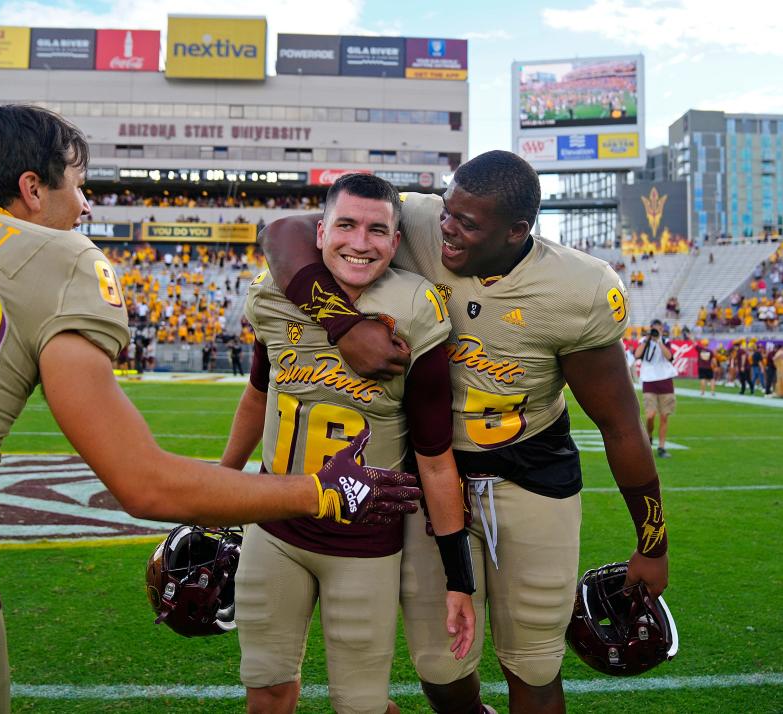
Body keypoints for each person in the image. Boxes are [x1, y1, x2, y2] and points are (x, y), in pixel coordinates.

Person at [0, 105, 420, 714]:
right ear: (32, 189)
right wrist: (324, 492)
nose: (85, 207)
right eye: (79, 186)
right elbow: (144, 484)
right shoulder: (60, 260)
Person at [260, 150, 669, 714]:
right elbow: (284, 231)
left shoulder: (576, 289)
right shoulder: (424, 222)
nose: (447, 230)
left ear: (518, 231)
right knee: (439, 664)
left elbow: (621, 427)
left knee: (533, 660)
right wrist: (341, 323)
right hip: (433, 475)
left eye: (468, 224)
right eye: (448, 212)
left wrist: (653, 545)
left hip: (530, 478)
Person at [220, 173, 474, 714]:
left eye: (377, 230)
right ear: (319, 233)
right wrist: (219, 487)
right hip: (275, 527)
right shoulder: (276, 291)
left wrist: (459, 579)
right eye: (347, 225)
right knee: (265, 685)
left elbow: (434, 458)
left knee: (359, 704)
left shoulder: (415, 309)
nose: (360, 243)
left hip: (364, 543)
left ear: (397, 242)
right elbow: (258, 395)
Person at [635, 319, 678, 458]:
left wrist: (659, 340)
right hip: (649, 381)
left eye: (658, 329)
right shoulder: (644, 341)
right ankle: (649, 435)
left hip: (665, 381)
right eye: (654, 329)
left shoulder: (665, 341)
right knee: (650, 415)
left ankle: (661, 447)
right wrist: (648, 339)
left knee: (664, 417)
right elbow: (637, 355)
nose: (655, 331)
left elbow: (670, 356)